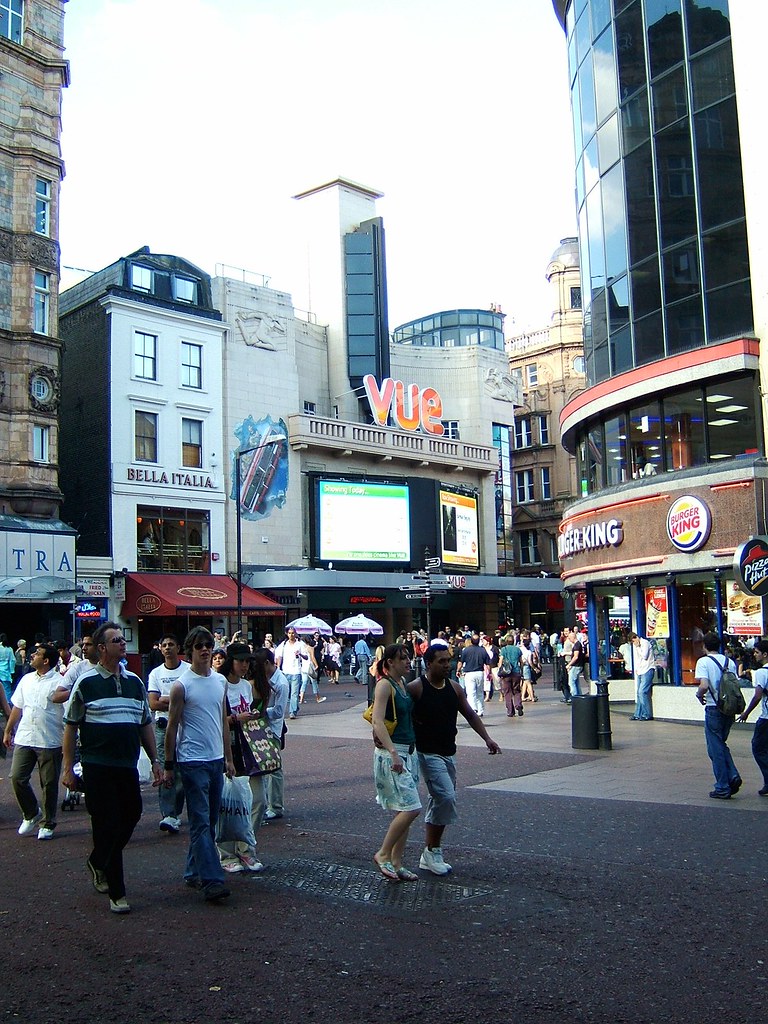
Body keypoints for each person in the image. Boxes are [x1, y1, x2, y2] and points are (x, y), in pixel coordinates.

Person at [62, 622, 162, 914]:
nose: (122, 644)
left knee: (132, 814)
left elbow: (144, 723)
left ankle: (98, 860)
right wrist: (68, 768)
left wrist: (155, 760)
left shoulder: (134, 682)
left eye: (123, 639)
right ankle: (117, 892)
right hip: (97, 765)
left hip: (126, 765)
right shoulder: (86, 683)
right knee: (106, 823)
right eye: (116, 640)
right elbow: (70, 727)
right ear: (102, 649)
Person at [408, 644, 500, 875]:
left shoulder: (455, 689)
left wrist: (487, 738)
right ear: (428, 663)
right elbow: (397, 713)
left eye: (448, 660)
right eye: (441, 661)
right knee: (446, 797)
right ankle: (432, 850)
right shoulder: (416, 688)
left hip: (449, 752)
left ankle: (429, 854)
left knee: (440, 799)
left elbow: (469, 714)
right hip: (427, 753)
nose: (447, 665)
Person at [163, 626, 235, 902]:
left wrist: (228, 757)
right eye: (199, 646)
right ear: (190, 651)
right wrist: (170, 764)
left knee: (210, 820)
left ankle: (193, 871)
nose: (205, 650)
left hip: (215, 759)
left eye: (208, 645)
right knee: (201, 821)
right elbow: (171, 727)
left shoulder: (220, 682)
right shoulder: (181, 685)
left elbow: (222, 722)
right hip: (192, 761)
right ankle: (212, 880)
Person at [370, 644, 421, 882]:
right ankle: (383, 853)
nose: (408, 661)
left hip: (409, 751)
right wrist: (392, 752)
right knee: (412, 807)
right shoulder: (384, 685)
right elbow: (377, 722)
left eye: (408, 657)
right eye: (403, 658)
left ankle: (397, 861)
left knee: (405, 809)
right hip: (396, 753)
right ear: (390, 662)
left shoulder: (401, 685)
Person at [3, 642, 63, 840]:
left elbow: (68, 713)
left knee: (49, 783)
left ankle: (48, 822)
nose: (32, 656)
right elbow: (18, 707)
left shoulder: (59, 682)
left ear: (46, 661)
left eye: (36, 654)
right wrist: (9, 729)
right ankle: (31, 813)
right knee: (17, 777)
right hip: (25, 736)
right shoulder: (26, 679)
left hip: (50, 739)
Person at [218, 645, 266, 874]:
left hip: (248, 748)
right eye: (240, 661)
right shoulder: (219, 684)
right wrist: (236, 718)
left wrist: (251, 716)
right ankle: (227, 853)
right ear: (230, 661)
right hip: (227, 748)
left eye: (247, 661)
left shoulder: (246, 686)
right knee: (227, 802)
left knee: (258, 800)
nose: (244, 665)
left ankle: (245, 847)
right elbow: (215, 720)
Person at [146, 634, 187, 833]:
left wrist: (167, 699)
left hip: (186, 724)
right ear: (160, 649)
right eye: (164, 645)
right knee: (166, 766)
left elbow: (191, 697)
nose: (168, 648)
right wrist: (177, 698)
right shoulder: (155, 673)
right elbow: (153, 702)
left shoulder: (187, 670)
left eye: (172, 644)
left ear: (178, 647)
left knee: (183, 768)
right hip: (163, 725)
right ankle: (168, 814)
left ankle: (176, 810)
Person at [695, 632, 742, 800]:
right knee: (720, 744)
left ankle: (723, 785)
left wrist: (699, 695)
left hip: (713, 708)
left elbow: (704, 685)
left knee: (715, 748)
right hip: (729, 709)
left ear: (704, 646)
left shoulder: (703, 661)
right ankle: (732, 775)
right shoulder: (729, 661)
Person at [253, 647, 289, 821]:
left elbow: (279, 711)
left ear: (267, 663)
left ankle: (275, 806)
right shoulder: (263, 678)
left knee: (274, 768)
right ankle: (266, 803)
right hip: (260, 727)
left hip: (273, 728)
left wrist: (262, 711)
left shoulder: (280, 683)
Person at [737, 638, 768, 795]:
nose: (755, 655)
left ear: (765, 654)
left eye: (757, 653)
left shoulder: (762, 672)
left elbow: (757, 695)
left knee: (758, 748)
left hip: (766, 718)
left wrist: (746, 712)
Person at [275, 626, 311, 720]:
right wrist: (278, 667)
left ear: (295, 634)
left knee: (294, 693)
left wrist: (300, 654)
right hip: (285, 671)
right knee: (287, 693)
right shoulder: (283, 644)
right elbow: (279, 656)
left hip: (296, 671)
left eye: (293, 633)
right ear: (287, 634)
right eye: (289, 633)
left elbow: (306, 657)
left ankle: (292, 712)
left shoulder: (300, 644)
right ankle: (295, 706)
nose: (291, 635)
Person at [457, 633, 490, 716]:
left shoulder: (466, 650)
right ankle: (480, 710)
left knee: (471, 692)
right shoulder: (483, 650)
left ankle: (473, 709)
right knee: (480, 692)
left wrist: (458, 670)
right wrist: (489, 673)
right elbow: (488, 663)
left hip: (469, 673)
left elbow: (461, 662)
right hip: (479, 672)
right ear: (479, 641)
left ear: (471, 641)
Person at [629, 632, 655, 721]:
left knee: (642, 691)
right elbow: (638, 659)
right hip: (641, 670)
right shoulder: (637, 646)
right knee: (639, 693)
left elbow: (644, 656)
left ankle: (647, 714)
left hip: (648, 669)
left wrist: (638, 647)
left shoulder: (645, 643)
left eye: (634, 641)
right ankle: (638, 714)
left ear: (636, 637)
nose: (634, 643)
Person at [497, 632, 524, 717]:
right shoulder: (517, 649)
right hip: (516, 672)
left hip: (506, 674)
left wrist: (500, 670)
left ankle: (510, 711)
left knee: (507, 692)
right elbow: (521, 662)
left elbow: (501, 661)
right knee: (516, 690)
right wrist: (521, 670)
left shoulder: (503, 649)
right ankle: (518, 705)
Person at [566, 628, 586, 698]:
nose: (569, 640)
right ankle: (579, 697)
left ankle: (575, 697)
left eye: (569, 638)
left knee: (571, 682)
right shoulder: (577, 644)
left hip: (576, 665)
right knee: (576, 682)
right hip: (577, 665)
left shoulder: (577, 645)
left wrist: (569, 664)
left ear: (572, 637)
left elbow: (575, 657)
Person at [0, 633, 16, 702]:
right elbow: (12, 660)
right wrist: (12, 671)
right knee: (7, 689)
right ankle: (8, 706)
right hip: (5, 671)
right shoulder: (9, 649)